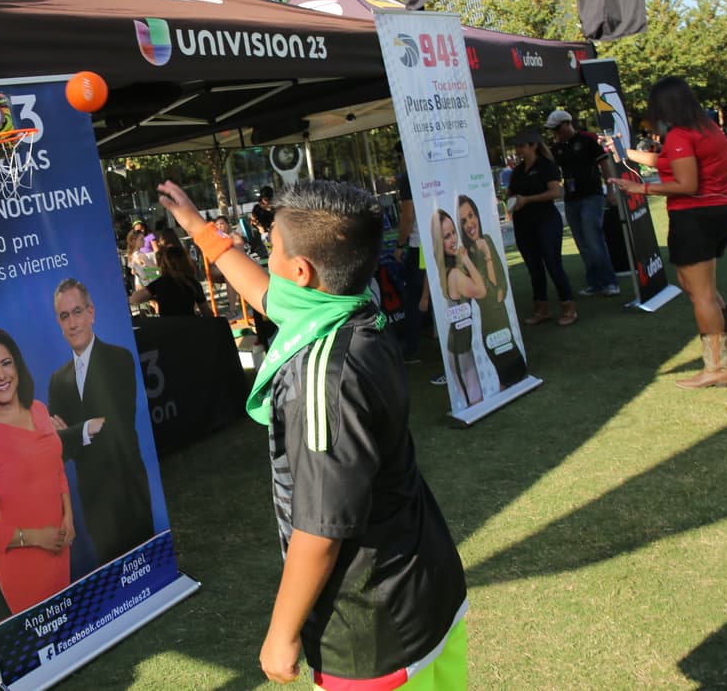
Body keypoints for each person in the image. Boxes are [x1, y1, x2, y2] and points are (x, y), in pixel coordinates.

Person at [157, 178, 467, 688]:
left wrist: (281, 631)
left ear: (301, 272)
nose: (266, 258)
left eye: (271, 248)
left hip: (375, 629)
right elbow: (264, 293)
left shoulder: (324, 377)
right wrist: (198, 229)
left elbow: (322, 527)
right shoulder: (352, 305)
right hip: (428, 586)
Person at [608, 76, 727, 388]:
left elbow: (686, 184)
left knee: (702, 294)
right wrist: (626, 153)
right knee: (694, 285)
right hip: (718, 212)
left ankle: (718, 367)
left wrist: (639, 187)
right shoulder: (706, 128)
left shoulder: (681, 134)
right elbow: (671, 162)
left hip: (696, 217)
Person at [0, 328, 73, 615]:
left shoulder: (38, 409)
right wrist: (36, 537)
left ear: (17, 365)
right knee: (42, 642)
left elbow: (56, 468)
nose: (1, 375)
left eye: (6, 363)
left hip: (61, 546)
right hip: (23, 562)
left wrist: (68, 516)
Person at [48, 279, 155, 566]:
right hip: (93, 499)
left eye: (78, 311)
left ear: (92, 313)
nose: (73, 323)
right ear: (58, 323)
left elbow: (113, 426)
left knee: (145, 566)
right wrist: (85, 429)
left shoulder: (119, 359)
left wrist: (71, 433)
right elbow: (56, 448)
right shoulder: (58, 380)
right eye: (64, 316)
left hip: (128, 488)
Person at [546, 109, 620, 297]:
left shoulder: (587, 141)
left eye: (556, 129)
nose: (555, 133)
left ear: (566, 124)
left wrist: (610, 191)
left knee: (594, 239)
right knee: (582, 242)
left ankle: (610, 281)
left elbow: (604, 165)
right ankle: (594, 282)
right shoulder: (558, 148)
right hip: (571, 199)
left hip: (591, 196)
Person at [508, 127, 577, 326]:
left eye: (521, 146)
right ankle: (541, 309)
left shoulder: (547, 166)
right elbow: (510, 192)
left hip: (546, 222)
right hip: (523, 224)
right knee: (534, 267)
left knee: (553, 265)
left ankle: (568, 307)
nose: (518, 150)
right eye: (517, 147)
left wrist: (528, 199)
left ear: (534, 146)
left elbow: (555, 192)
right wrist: (512, 200)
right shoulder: (518, 170)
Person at [457, 195, 527, 390]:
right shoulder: (466, 255)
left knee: (516, 373)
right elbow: (489, 297)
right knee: (503, 379)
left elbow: (501, 291)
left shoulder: (487, 240)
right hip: (490, 329)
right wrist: (485, 257)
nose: (470, 223)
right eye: (463, 221)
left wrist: (487, 253)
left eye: (471, 216)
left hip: (506, 324)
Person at [432, 208, 485, 407]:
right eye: (447, 236)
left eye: (453, 232)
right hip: (461, 350)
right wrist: (467, 261)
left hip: (459, 346)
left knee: (470, 403)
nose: (453, 239)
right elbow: (480, 291)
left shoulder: (447, 268)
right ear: (439, 242)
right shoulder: (454, 273)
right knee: (475, 403)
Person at [393, 142, 425, 363]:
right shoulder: (428, 169)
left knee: (414, 297)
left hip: (419, 246)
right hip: (435, 241)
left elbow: (408, 216)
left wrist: (400, 244)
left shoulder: (408, 177)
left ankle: (412, 348)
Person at [129, 244, 209, 316]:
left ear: (164, 264)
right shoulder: (193, 283)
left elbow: (134, 299)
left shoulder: (160, 283)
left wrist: (153, 297)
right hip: (189, 325)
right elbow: (206, 311)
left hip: (168, 327)